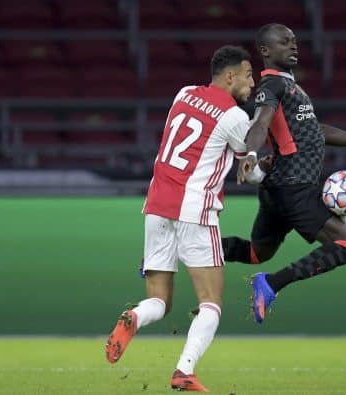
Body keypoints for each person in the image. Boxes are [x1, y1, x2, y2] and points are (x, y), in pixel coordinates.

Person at [221, 23, 346, 324]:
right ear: (266, 51)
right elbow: (260, 122)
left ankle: (182, 248)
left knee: (257, 252)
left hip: (279, 189)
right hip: (295, 186)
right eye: (284, 42)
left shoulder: (290, 86)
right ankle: (271, 283)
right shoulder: (272, 87)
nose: (293, 46)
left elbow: (316, 131)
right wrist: (252, 154)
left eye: (294, 41)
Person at [105, 45, 264, 392]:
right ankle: (184, 370)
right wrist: (267, 171)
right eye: (249, 75)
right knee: (211, 302)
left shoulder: (184, 93)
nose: (253, 83)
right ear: (230, 75)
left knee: (159, 301)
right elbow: (249, 171)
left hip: (157, 203)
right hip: (195, 208)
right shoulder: (235, 116)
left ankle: (133, 316)